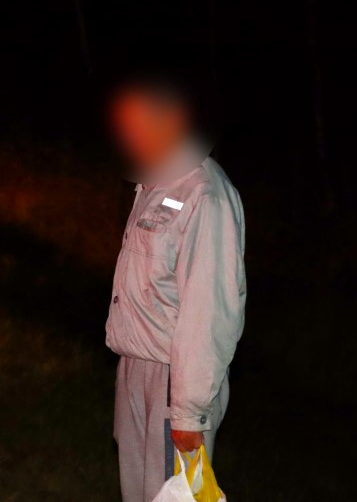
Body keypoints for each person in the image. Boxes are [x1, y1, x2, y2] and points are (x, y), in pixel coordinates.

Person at [105, 69, 246, 502]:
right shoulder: (152, 182)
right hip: (136, 370)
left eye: (135, 124)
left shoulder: (204, 195)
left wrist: (188, 413)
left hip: (173, 379)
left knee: (173, 494)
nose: (126, 135)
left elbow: (209, 313)